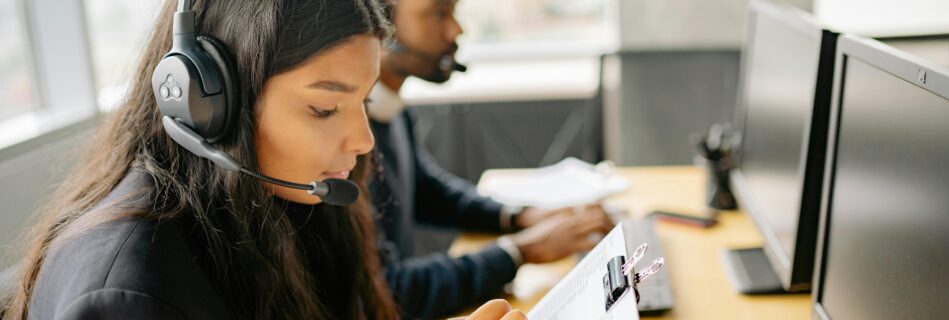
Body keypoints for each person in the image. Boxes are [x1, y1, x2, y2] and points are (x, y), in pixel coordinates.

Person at [1, 1, 522, 319]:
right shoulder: (131, 291)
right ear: (211, 105)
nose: (364, 140)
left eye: (362, 102)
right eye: (324, 107)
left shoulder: (285, 200)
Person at [369, 0, 615, 317]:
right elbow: (391, 289)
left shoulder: (389, 108)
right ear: (380, 21)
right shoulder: (350, 141)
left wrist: (519, 217)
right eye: (438, 12)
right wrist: (519, 251)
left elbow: (428, 191)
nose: (457, 29)